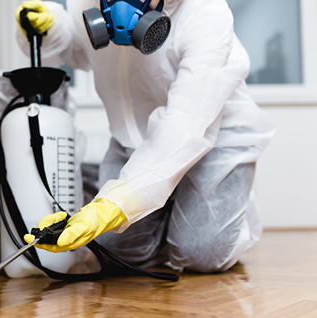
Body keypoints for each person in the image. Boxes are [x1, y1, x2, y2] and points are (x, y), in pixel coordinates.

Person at [18, 0, 275, 272]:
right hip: (134, 140)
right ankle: (166, 202)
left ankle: (218, 204)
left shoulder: (206, 12)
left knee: (200, 253)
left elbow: (186, 124)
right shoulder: (87, 3)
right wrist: (54, 28)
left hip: (214, 136)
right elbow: (79, 46)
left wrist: (113, 206)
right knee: (115, 251)